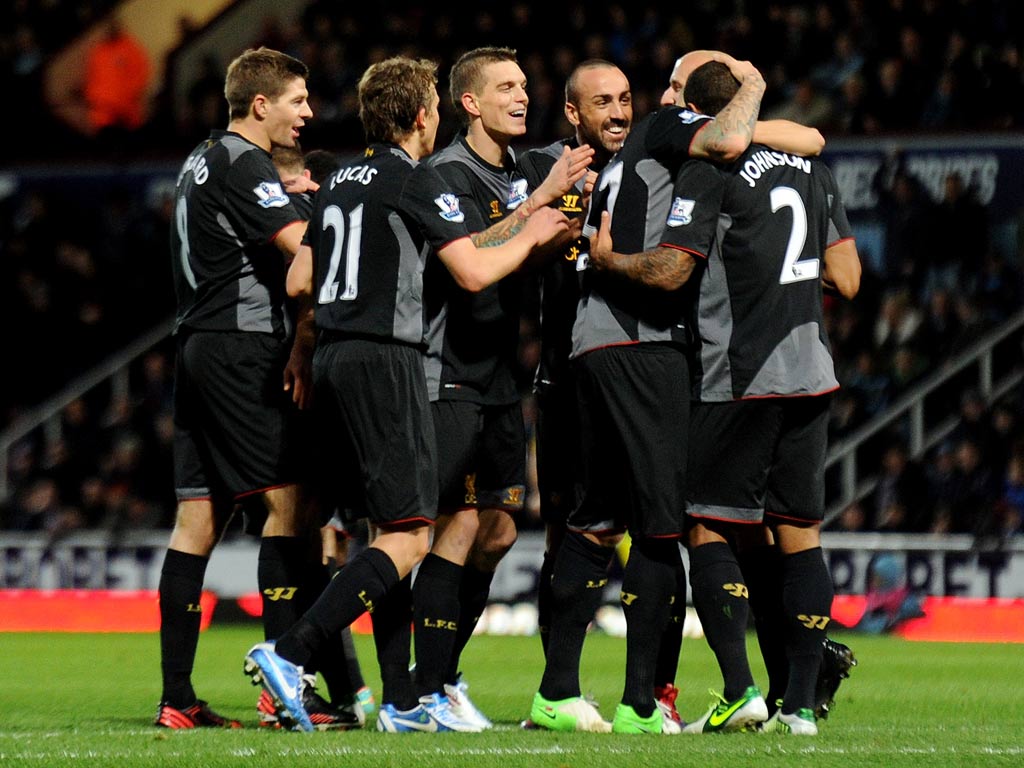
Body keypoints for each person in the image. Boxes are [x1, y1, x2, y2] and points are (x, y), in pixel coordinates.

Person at [241, 55, 572, 733]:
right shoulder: (411, 178)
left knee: (382, 530)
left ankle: (401, 700)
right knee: (412, 535)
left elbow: (301, 280)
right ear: (425, 115)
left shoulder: (338, 180)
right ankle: (291, 653)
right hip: (386, 359)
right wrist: (536, 227)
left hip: (330, 352)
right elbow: (474, 271)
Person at [529, 51, 828, 735]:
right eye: (610, 99)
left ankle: (556, 692)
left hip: (595, 344)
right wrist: (752, 81)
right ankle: (644, 704)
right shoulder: (674, 129)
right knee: (666, 527)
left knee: (597, 517)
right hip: (644, 345)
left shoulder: (629, 148)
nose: (639, 104)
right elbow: (670, 268)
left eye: (640, 92)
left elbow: (799, 137)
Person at [658, 61, 860, 735]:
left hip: (738, 370)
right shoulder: (815, 172)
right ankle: (799, 706)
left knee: (707, 524)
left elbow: (679, 267)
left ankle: (741, 688)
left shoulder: (709, 171)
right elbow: (849, 277)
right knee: (799, 535)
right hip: (812, 369)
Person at [404, 46, 593, 731]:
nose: (522, 95)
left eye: (524, 84)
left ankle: (443, 677)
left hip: (503, 380)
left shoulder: (521, 168)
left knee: (500, 529)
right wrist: (539, 210)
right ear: (470, 104)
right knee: (450, 531)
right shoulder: (446, 174)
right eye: (505, 87)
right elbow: (472, 262)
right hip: (447, 371)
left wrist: (556, 231)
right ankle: (422, 689)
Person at [157, 47, 315, 729]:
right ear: (261, 105)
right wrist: (334, 213)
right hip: (240, 344)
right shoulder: (245, 161)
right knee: (288, 504)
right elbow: (299, 247)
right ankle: (282, 692)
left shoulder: (202, 157)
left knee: (197, 519)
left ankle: (177, 699)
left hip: (194, 343)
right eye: (297, 101)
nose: (307, 114)